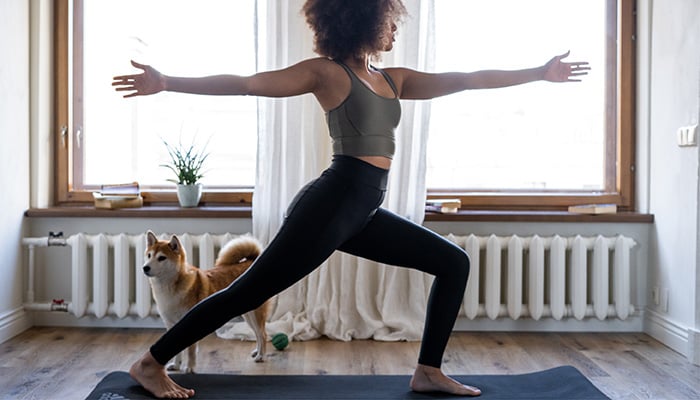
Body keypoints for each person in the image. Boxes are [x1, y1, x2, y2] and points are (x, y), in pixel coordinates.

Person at [113, 1, 589, 398]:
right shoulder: (326, 73)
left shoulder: (393, 78)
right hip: (330, 205)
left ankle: (427, 371)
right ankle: (151, 363)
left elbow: (467, 78)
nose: (395, 25)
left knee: (453, 263)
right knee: (248, 291)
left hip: (361, 210)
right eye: (390, 17)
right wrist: (167, 81)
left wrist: (540, 73)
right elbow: (249, 82)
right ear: (364, 18)